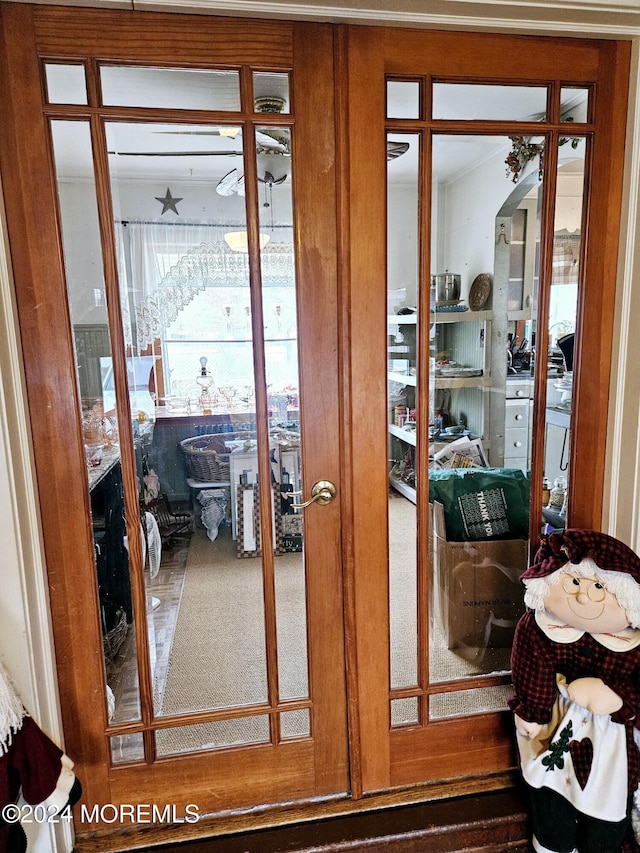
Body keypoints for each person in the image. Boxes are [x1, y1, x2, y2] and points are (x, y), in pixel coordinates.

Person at [509, 529, 640, 853]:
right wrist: (532, 710)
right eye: (574, 584)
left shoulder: (633, 642)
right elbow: (530, 668)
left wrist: (619, 695)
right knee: (549, 785)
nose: (583, 597)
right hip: (556, 720)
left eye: (598, 587)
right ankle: (553, 844)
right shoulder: (540, 627)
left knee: (610, 798)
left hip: (615, 735)